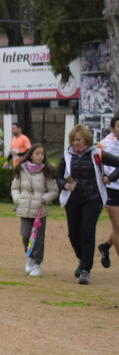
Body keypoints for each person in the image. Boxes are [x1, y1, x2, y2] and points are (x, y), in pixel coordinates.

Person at [55, 124, 119, 285]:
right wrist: (65, 185)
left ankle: (86, 270)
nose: (75, 143)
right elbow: (58, 177)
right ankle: (83, 260)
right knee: (74, 235)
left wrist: (110, 179)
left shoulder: (97, 154)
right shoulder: (67, 156)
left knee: (87, 232)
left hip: (93, 199)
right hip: (73, 200)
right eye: (73, 140)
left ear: (86, 140)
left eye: (78, 140)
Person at [12, 144, 59, 276]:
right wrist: (18, 199)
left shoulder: (47, 171)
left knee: (38, 238)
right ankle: (30, 257)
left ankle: (37, 264)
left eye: (42, 154)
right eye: (37, 153)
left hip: (39, 211)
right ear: (31, 155)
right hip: (25, 209)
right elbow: (15, 187)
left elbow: (54, 190)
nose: (40, 156)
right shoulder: (21, 169)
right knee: (25, 235)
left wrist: (43, 200)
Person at [97, 116, 119, 268]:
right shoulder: (104, 144)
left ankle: (105, 246)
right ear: (112, 129)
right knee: (118, 227)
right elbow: (95, 163)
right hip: (112, 190)